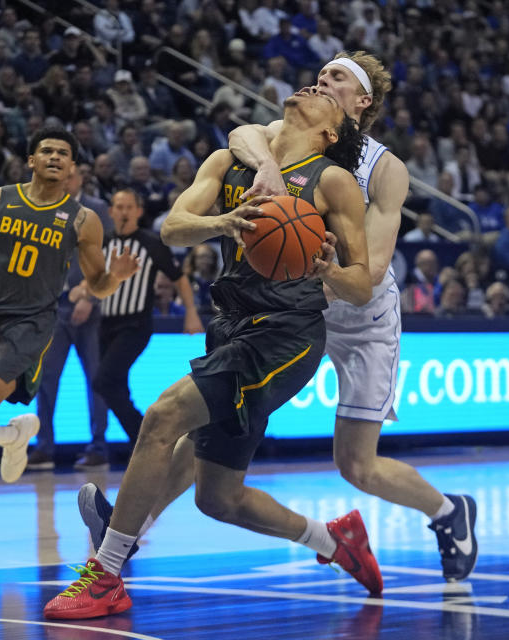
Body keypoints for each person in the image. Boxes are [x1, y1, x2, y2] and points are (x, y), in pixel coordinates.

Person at [79, 51, 479, 586]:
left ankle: (450, 512)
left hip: (356, 312)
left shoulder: (386, 171)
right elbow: (242, 135)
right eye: (320, 74)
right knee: (200, 420)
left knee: (356, 465)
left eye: (337, 77)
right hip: (285, 308)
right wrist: (267, 165)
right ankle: (130, 528)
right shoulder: (282, 130)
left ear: (362, 102)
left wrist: (321, 261)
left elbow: (369, 270)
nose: (322, 80)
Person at [44, 88, 379, 620]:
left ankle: (107, 573)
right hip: (230, 325)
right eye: (311, 83)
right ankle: (337, 541)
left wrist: (329, 273)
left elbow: (363, 283)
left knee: (162, 416)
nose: (312, 88)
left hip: (286, 335)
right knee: (217, 497)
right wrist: (222, 224)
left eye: (325, 94)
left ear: (332, 132)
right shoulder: (230, 162)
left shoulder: (332, 181)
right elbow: (173, 227)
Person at [0, 127, 140, 545]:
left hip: (33, 323)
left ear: (73, 168)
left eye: (64, 153)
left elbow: (98, 283)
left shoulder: (83, 220)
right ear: (31, 160)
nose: (55, 157)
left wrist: (118, 278)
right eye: (47, 150)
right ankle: (11, 435)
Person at [87, 187, 203, 455]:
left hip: (135, 325)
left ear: (139, 211)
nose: (124, 212)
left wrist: (191, 313)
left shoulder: (151, 243)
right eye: (119, 206)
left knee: (103, 381)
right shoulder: (104, 243)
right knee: (116, 388)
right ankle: (146, 447)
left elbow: (179, 277)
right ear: (111, 211)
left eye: (129, 207)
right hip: (105, 325)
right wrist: (84, 293)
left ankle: (146, 441)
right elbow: (94, 281)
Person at [28, 170, 112, 472]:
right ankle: (44, 447)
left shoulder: (97, 209)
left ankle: (99, 447)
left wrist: (91, 296)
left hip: (89, 307)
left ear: (80, 179)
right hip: (52, 307)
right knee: (45, 379)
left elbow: (109, 254)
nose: (67, 180)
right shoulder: (43, 210)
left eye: (72, 175)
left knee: (96, 379)